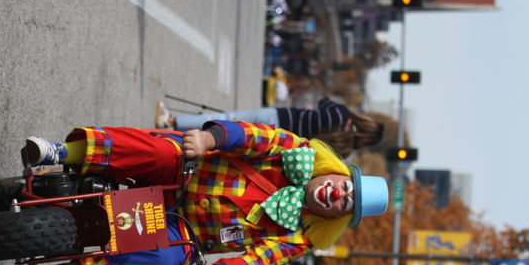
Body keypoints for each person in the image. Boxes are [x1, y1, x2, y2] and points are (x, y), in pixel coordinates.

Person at [22, 121, 388, 265]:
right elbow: (253, 136)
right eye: (346, 186)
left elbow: (261, 261)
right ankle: (60, 152)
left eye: (346, 204)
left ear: (338, 216)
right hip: (187, 172)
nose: (338, 195)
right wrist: (210, 140)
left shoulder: (301, 236)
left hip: (186, 233)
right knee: (161, 153)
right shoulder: (296, 152)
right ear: (339, 172)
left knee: (163, 263)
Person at [156, 98, 385, 158]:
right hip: (277, 142)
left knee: (227, 121)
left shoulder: (340, 114)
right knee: (223, 147)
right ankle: (169, 141)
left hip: (277, 117)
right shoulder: (344, 152)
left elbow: (324, 101)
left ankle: (172, 122)